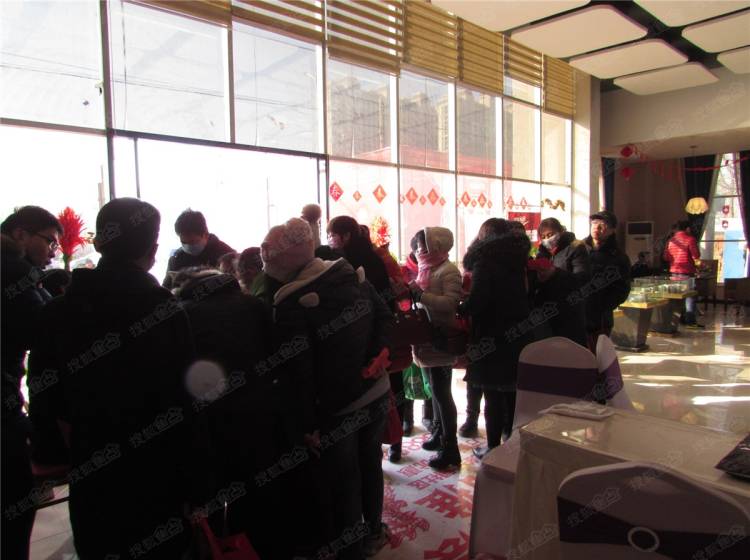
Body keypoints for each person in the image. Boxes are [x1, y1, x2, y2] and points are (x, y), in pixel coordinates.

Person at [28, 198, 210, 559]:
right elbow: (186, 400)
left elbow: (44, 395)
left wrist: (53, 455)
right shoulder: (162, 310)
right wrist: (199, 483)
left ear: (98, 243)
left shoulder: (57, 312)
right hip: (157, 473)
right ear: (153, 250)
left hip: (92, 470)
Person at [262, 218, 394, 558]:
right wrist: (379, 354)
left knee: (345, 479)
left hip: (337, 407)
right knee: (370, 464)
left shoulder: (290, 303)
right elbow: (384, 316)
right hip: (377, 391)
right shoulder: (348, 274)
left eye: (268, 253)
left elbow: (300, 371)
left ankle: (351, 550)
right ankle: (373, 532)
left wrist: (307, 424)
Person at [172, 267, 283, 558]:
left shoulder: (183, 314)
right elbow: (277, 354)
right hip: (256, 414)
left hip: (208, 420)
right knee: (256, 495)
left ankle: (221, 549)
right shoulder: (253, 306)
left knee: (211, 493)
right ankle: (259, 549)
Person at [1, 205, 62, 560]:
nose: (53, 251)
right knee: (15, 501)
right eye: (49, 241)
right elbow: (45, 328)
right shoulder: (13, 270)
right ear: (21, 234)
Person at [461, 219, 532, 457]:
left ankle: (492, 447)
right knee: (511, 393)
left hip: (490, 335)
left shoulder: (485, 261)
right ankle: (511, 444)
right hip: (517, 333)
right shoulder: (518, 259)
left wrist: (462, 306)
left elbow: (478, 301)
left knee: (492, 394)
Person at [410, 227, 462, 470]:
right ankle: (440, 434)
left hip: (441, 340)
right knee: (435, 391)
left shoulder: (448, 270)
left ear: (437, 245)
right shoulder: (428, 268)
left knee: (443, 394)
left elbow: (451, 303)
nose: (419, 251)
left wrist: (421, 296)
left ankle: (450, 448)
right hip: (427, 339)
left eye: (423, 246)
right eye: (418, 247)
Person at [583, 211, 632, 352]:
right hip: (577, 314)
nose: (596, 227)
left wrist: (601, 305)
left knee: (596, 356)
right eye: (594, 223)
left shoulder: (618, 257)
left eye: (602, 225)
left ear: (611, 230)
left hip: (600, 319)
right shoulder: (579, 249)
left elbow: (622, 289)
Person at [163, 209, 234, 289]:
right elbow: (166, 289)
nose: (188, 246)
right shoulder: (176, 259)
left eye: (192, 242)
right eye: (183, 242)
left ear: (205, 234)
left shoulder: (226, 255)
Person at [327, 215, 390, 300]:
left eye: (333, 235)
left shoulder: (354, 260)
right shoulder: (368, 253)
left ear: (346, 236)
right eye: (328, 236)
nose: (329, 240)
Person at [664, 220, 702, 327]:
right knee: (689, 296)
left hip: (674, 273)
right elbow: (696, 255)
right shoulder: (690, 239)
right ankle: (690, 321)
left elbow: (666, 257)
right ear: (687, 229)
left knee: (677, 297)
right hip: (687, 273)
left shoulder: (671, 240)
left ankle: (677, 320)